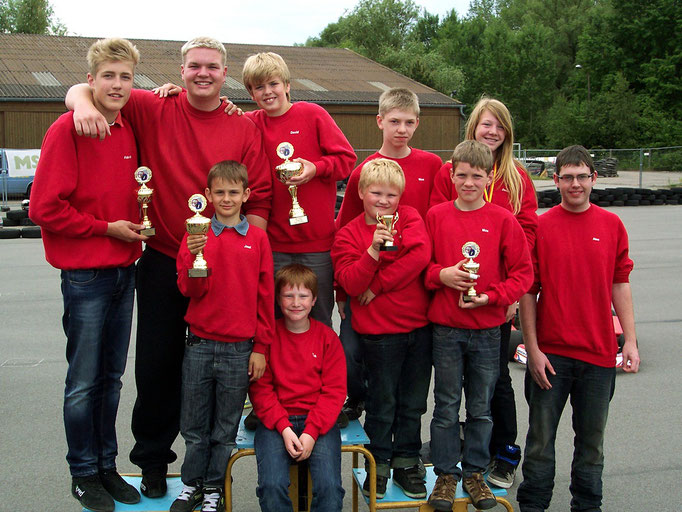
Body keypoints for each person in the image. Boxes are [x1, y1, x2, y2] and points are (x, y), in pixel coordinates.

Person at [65, 36, 272, 496]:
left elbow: (259, 193)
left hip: (221, 269)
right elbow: (95, 89)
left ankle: (209, 470)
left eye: (213, 67)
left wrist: (247, 255)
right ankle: (154, 459)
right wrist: (80, 103)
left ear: (225, 73)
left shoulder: (243, 125)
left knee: (214, 368)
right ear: (181, 71)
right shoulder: (154, 107)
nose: (204, 73)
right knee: (157, 365)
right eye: (195, 65)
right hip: (161, 259)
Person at [29, 38, 144, 512]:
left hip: (124, 272)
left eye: (126, 77)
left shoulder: (126, 129)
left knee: (112, 379)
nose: (117, 85)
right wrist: (106, 228)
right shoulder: (67, 128)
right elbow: (42, 207)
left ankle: (106, 466)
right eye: (109, 76)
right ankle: (82, 472)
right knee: (83, 381)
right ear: (91, 79)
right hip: (85, 277)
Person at [516, 145, 640, 512]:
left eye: (581, 176)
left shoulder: (612, 225)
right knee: (540, 442)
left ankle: (587, 505)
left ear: (593, 179)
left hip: (599, 356)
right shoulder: (541, 225)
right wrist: (533, 349)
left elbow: (621, 283)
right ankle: (533, 505)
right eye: (567, 177)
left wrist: (629, 341)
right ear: (555, 180)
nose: (575, 184)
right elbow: (527, 291)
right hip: (551, 356)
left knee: (591, 444)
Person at [429, 97, 538, 488]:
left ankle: (495, 457)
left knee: (490, 395)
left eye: (499, 126)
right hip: (449, 317)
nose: (491, 131)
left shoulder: (516, 180)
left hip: (495, 308)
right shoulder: (444, 191)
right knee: (446, 400)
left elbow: (526, 245)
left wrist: (500, 295)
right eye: (485, 124)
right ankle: (447, 464)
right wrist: (444, 274)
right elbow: (433, 249)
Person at [171, 161, 274, 512]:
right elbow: (189, 288)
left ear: (246, 195)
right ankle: (190, 485)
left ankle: (214, 487)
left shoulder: (258, 238)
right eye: (219, 192)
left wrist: (260, 347)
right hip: (199, 345)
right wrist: (195, 252)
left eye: (233, 192)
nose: (226, 198)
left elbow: (265, 296)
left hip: (238, 349)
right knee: (194, 426)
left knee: (225, 428)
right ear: (207, 197)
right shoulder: (195, 233)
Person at [334, 87, 442, 422]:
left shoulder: (432, 164)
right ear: (380, 121)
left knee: (409, 379)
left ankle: (402, 444)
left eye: (409, 122)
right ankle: (360, 396)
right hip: (365, 280)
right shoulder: (363, 172)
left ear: (417, 123)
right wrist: (342, 291)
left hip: (413, 281)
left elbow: (439, 222)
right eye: (394, 121)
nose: (402, 129)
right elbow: (346, 228)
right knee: (350, 352)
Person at [332, 159, 432, 499]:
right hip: (378, 333)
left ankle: (406, 460)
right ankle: (378, 463)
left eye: (392, 195)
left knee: (413, 402)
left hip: (417, 327)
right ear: (360, 192)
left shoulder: (412, 218)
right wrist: (374, 250)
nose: (384, 201)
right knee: (382, 402)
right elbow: (349, 279)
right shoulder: (348, 234)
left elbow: (419, 256)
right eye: (376, 193)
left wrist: (379, 285)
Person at [241, 52, 356, 327]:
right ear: (251, 93)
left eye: (273, 84)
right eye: (259, 87)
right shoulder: (249, 123)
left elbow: (347, 160)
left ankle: (318, 370)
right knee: (275, 321)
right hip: (273, 246)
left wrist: (315, 168)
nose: (268, 92)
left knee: (317, 321)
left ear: (287, 85)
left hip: (317, 246)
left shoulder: (312, 114)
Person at [250, 264, 346, 512]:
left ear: (314, 300)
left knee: (329, 488)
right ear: (278, 299)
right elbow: (261, 391)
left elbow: (334, 392)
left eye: (303, 296)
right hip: (276, 423)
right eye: (288, 295)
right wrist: (283, 428)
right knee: (272, 485)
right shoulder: (268, 338)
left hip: (318, 422)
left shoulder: (328, 339)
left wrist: (312, 432)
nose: (296, 302)